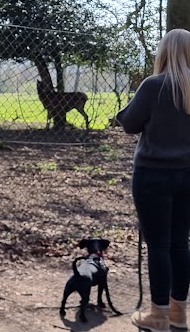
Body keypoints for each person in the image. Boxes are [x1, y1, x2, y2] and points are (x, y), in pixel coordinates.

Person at [117, 28, 190, 332]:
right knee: (180, 244)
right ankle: (179, 315)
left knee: (158, 244)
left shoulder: (152, 86)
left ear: (163, 53)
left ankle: (157, 315)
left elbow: (130, 125)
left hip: (152, 175)